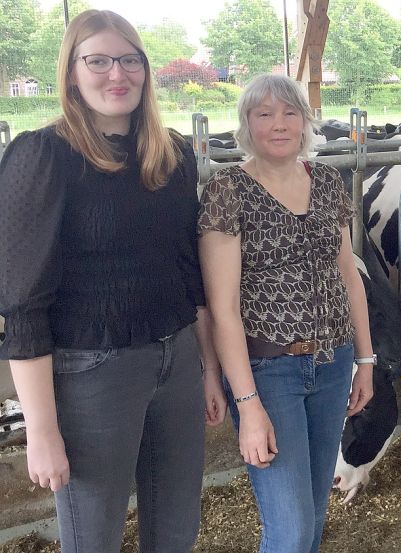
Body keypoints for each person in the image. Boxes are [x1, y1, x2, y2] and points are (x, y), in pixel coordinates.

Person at [0, 9, 225, 552]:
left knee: (176, 531)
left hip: (176, 363)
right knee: (93, 537)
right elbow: (23, 305)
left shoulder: (173, 154)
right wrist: (43, 430)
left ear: (146, 71)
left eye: (129, 60)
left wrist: (209, 371)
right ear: (72, 72)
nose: (116, 74)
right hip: (92, 373)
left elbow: (187, 273)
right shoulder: (42, 156)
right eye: (97, 61)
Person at [198, 73, 374, 553]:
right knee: (290, 527)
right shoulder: (228, 190)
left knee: (314, 513)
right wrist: (247, 403)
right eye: (264, 114)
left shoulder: (327, 181)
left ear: (305, 121)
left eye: (290, 113)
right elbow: (223, 308)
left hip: (334, 364)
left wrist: (366, 359)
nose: (279, 124)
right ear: (246, 125)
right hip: (269, 370)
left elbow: (348, 275)